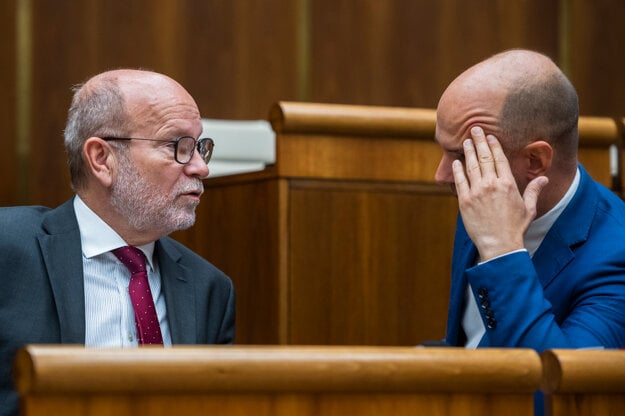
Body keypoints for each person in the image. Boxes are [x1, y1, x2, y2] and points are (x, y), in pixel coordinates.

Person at [0, 69, 235, 416]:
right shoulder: (8, 247)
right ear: (101, 159)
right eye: (178, 147)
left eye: (200, 147)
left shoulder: (209, 289)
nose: (201, 167)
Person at [434, 49, 625, 351]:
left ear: (535, 160)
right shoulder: (486, 192)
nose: (442, 176)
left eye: (462, 155)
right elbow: (471, 342)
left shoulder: (617, 258)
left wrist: (502, 251)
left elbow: (558, 392)